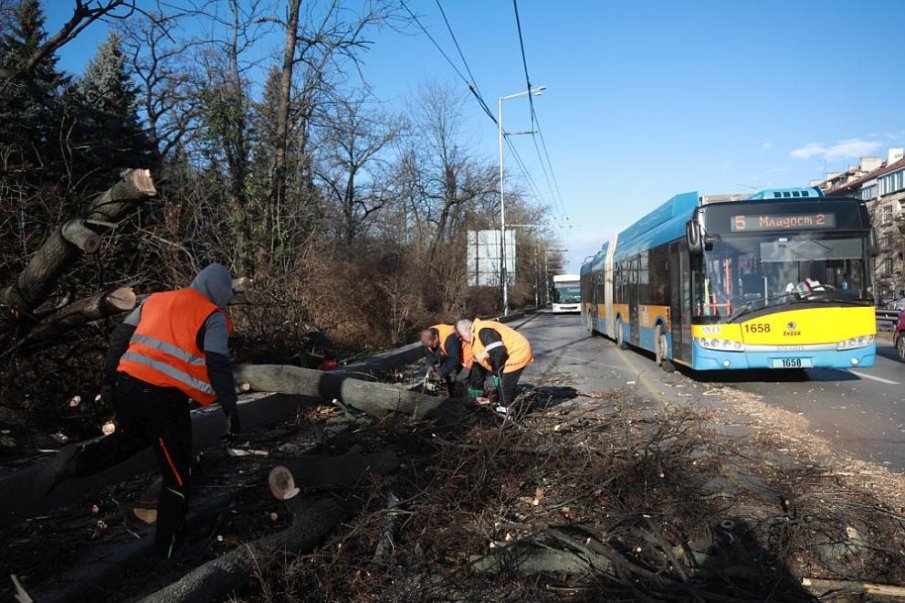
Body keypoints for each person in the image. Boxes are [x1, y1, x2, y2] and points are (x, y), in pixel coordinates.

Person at [33, 263, 242, 560]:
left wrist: (109, 382)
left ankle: (73, 463)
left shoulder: (155, 300)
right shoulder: (212, 316)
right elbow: (218, 365)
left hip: (126, 386)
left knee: (126, 442)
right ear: (219, 291)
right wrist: (231, 412)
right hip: (163, 400)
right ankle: (170, 549)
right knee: (178, 474)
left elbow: (119, 338)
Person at [455, 318, 533, 413]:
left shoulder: (483, 330)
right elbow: (478, 372)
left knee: (504, 386)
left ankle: (506, 412)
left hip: (518, 352)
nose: (461, 339)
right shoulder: (474, 344)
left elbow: (498, 352)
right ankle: (502, 401)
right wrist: (476, 394)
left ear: (466, 331)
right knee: (499, 383)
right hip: (505, 357)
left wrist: (497, 374)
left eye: (460, 336)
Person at [419, 324, 471, 396]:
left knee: (461, 380)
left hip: (467, 356)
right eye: (429, 346)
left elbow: (454, 360)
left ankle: (469, 399)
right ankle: (453, 398)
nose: (432, 347)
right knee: (450, 377)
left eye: (433, 345)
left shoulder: (449, 338)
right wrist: (431, 365)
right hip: (453, 354)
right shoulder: (429, 336)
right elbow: (429, 352)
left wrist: (440, 373)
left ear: (436, 337)